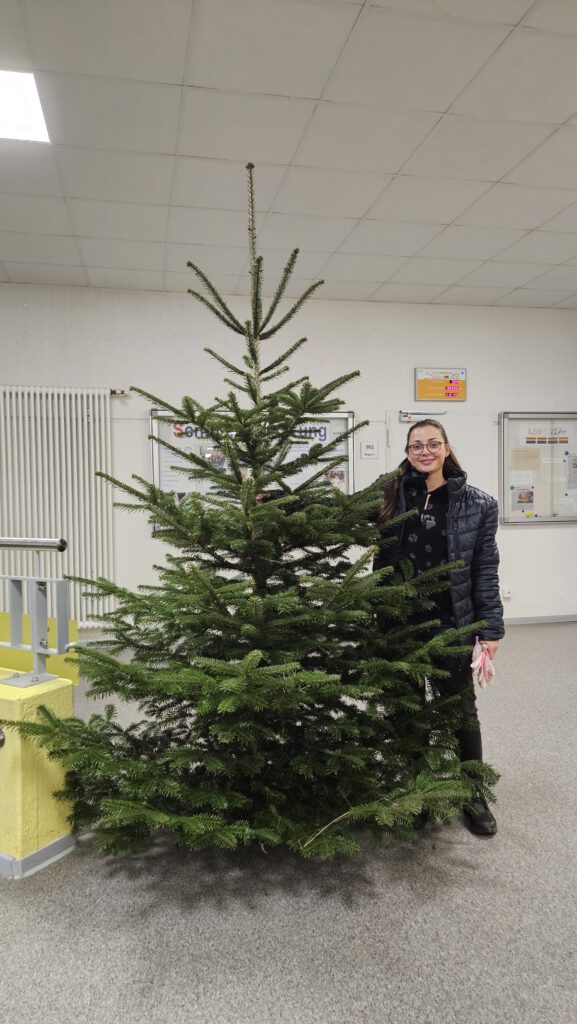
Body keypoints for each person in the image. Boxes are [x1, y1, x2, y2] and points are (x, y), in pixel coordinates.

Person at [374, 418, 504, 836]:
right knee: (407, 708)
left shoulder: (478, 505)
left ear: (447, 448)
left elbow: (485, 571)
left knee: (459, 709)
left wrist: (491, 629)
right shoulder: (391, 496)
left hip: (451, 622)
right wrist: (278, 500)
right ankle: (417, 788)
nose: (425, 451)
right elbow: (335, 511)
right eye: (417, 445)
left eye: (433, 444)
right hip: (400, 621)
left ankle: (473, 792)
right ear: (407, 452)